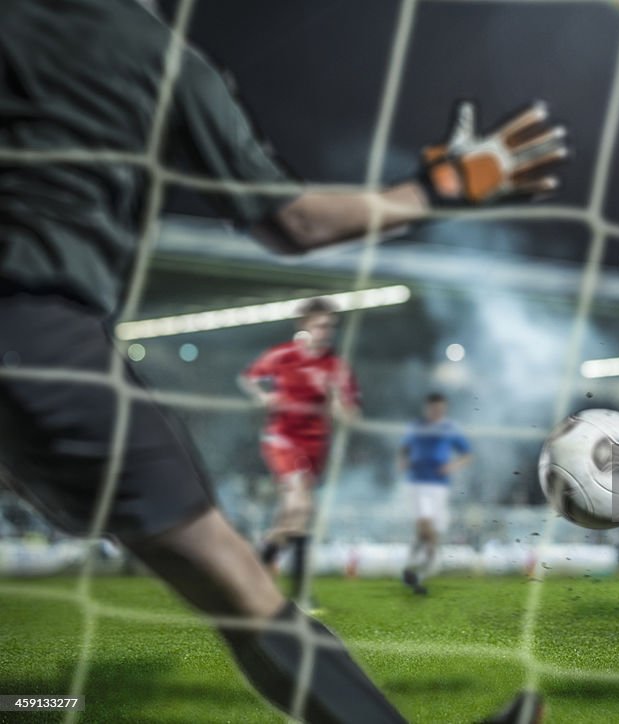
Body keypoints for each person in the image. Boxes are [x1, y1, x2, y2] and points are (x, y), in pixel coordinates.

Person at [0, 1, 564, 721]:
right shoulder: (157, 54)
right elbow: (296, 223)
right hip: (39, 336)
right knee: (235, 582)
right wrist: (437, 188)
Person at [240, 298, 360, 607]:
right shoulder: (283, 355)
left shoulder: (336, 366)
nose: (326, 331)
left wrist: (339, 406)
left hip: (316, 446)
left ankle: (255, 567)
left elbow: (352, 415)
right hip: (281, 439)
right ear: (305, 326)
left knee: (294, 517)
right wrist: (263, 396)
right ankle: (302, 594)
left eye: (331, 326)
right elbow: (248, 378)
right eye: (321, 325)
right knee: (301, 506)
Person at [399, 392, 472, 595]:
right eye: (433, 409)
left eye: (440, 409)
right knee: (426, 526)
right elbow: (404, 448)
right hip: (418, 483)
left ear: (444, 409)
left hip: (439, 486)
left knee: (429, 534)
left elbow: (467, 454)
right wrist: (403, 460)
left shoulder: (450, 428)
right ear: (427, 408)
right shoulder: (416, 426)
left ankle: (412, 569)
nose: (436, 412)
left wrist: (453, 466)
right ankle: (420, 572)